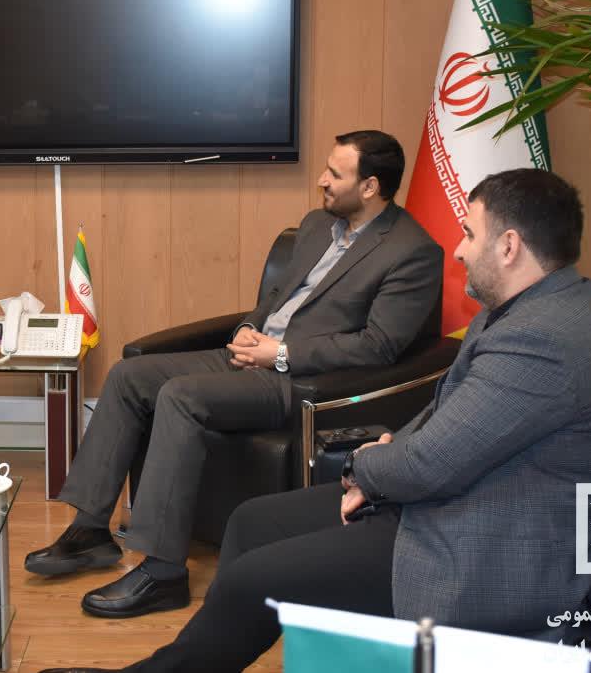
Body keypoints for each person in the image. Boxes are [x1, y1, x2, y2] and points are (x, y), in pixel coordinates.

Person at [39, 167, 591, 673]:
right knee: (251, 522)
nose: (459, 250)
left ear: (508, 246)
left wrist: (365, 469)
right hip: (448, 503)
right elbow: (445, 412)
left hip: (479, 550)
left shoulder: (544, 340)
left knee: (256, 579)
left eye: (469, 233)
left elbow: (431, 463)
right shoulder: (524, 308)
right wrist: (389, 453)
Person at [25, 130, 444, 618]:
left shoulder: (412, 251)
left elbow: (378, 346)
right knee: (128, 376)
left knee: (180, 396)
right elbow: (277, 299)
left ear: (370, 186)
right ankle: (91, 530)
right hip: (251, 355)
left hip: (297, 381)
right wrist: (249, 329)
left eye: (335, 173)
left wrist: (280, 354)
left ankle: (163, 573)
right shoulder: (317, 226)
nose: (321, 180)